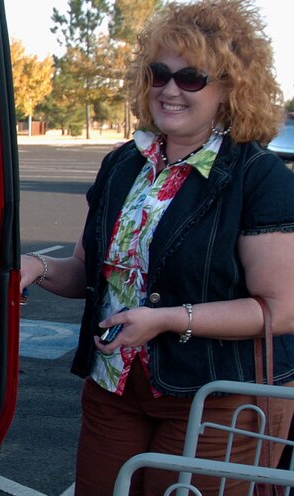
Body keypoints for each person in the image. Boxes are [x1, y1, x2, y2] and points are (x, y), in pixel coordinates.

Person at [19, 1, 294, 494]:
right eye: (159, 73)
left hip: (216, 396)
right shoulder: (124, 164)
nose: (170, 89)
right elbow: (88, 272)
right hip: (116, 387)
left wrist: (168, 319)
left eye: (192, 78)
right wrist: (35, 266)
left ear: (229, 88)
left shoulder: (258, 176)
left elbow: (282, 309)